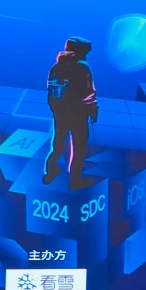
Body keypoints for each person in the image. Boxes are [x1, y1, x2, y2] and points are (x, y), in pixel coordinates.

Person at [43, 36, 97, 188]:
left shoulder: (56, 66)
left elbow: (51, 90)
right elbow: (88, 92)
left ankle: (50, 171)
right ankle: (75, 181)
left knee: (58, 145)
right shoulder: (82, 67)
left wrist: (56, 110)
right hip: (78, 115)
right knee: (79, 149)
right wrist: (93, 110)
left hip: (60, 113)